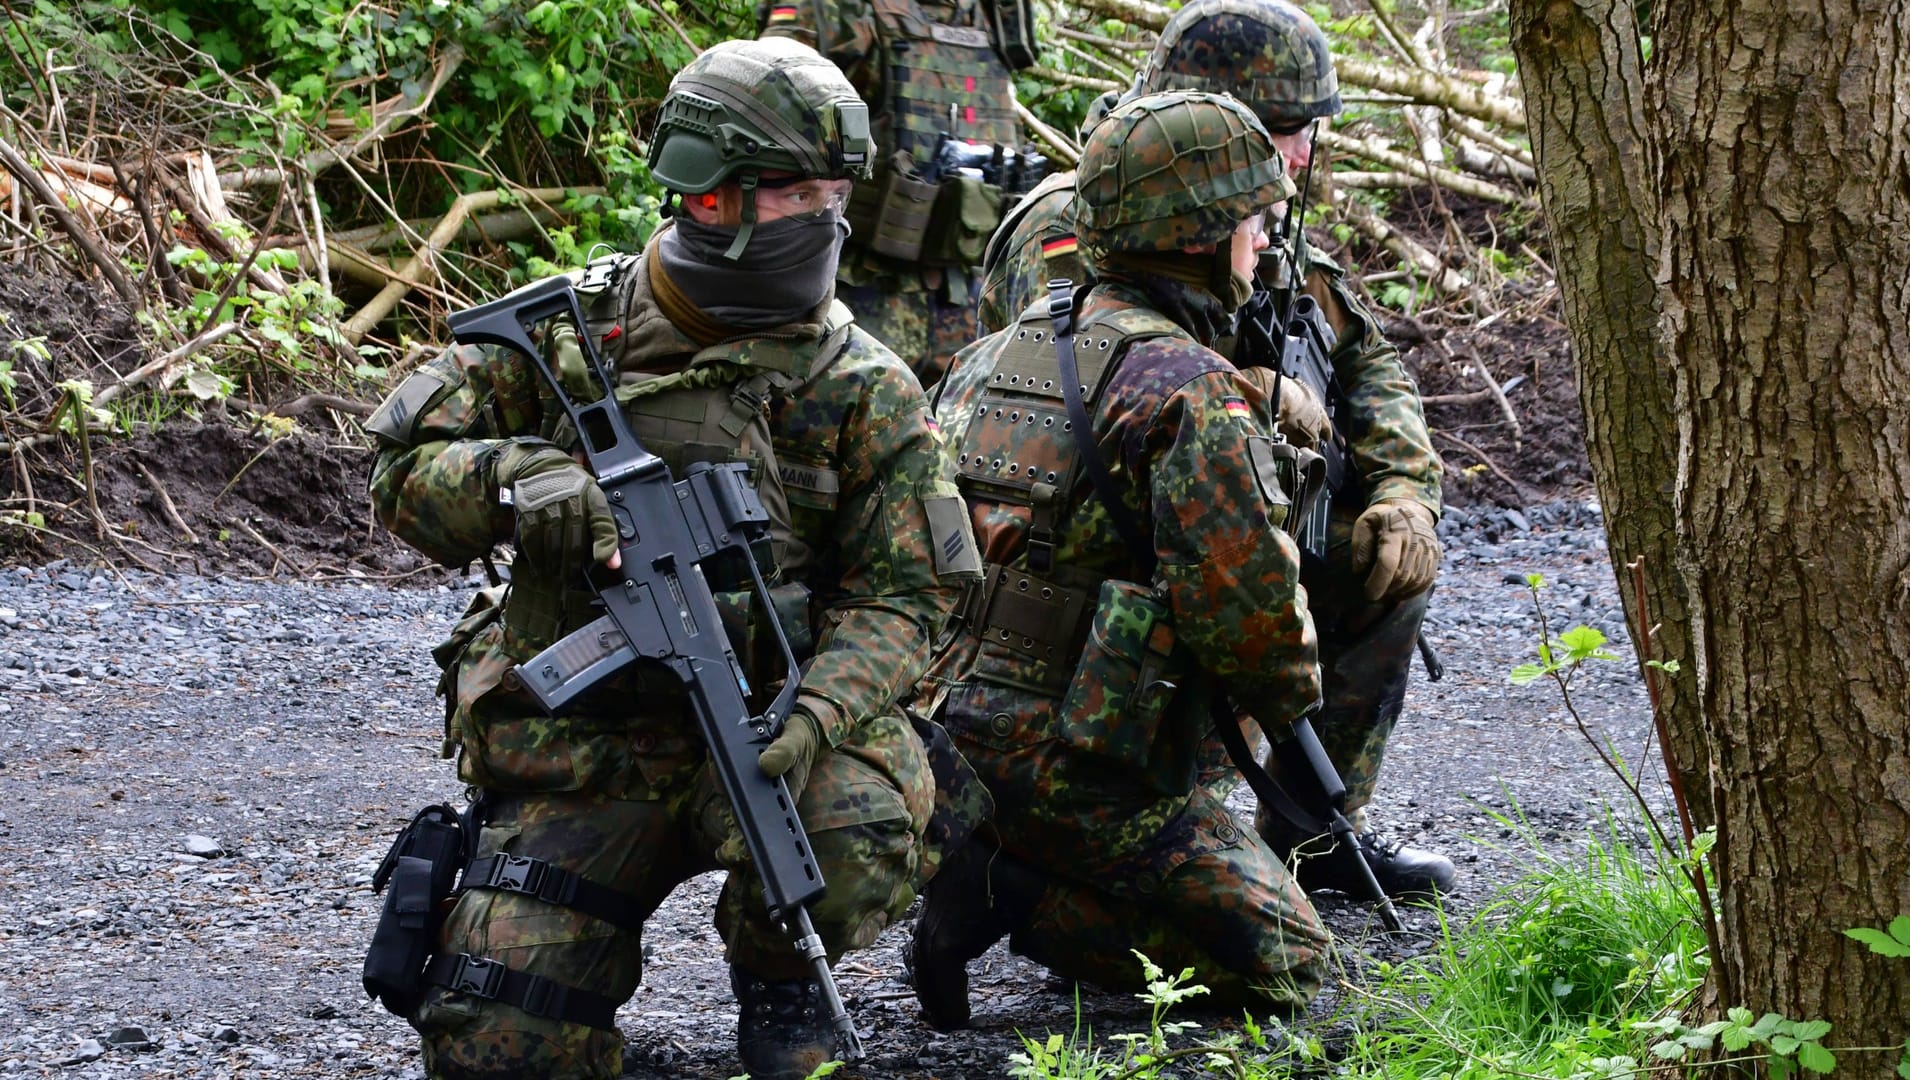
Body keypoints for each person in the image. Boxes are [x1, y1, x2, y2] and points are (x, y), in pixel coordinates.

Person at [365, 38, 978, 1080]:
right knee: (498, 1050)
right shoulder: (563, 335)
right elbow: (400, 477)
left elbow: (909, 594)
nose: (829, 219)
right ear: (710, 198)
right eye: (797, 194)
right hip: (590, 751)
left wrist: (820, 714)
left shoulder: (862, 383)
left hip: (777, 730)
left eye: (838, 194)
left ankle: (786, 984)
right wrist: (521, 477)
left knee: (849, 829)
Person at [976, 0, 1453, 901]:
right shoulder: (1072, 224)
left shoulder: (1257, 211)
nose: (1304, 154)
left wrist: (1404, 489)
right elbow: (1067, 388)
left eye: (1306, 130)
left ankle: (1312, 834)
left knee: (1382, 554)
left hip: (1218, 503)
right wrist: (1251, 391)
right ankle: (1082, 843)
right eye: (1282, 130)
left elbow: (1361, 351)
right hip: (1097, 546)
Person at [904, 89, 1332, 1031]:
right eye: (1252, 222)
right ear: (1197, 234)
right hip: (1081, 760)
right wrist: (1295, 695)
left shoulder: (987, 356)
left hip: (937, 736)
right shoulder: (1192, 389)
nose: (1262, 245)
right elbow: (1252, 629)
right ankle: (1007, 895)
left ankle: (983, 857)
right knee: (1290, 966)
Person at [757, 0, 1033, 386]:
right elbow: (762, 107)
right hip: (864, 294)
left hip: (973, 293)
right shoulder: (840, 9)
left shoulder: (992, 13)